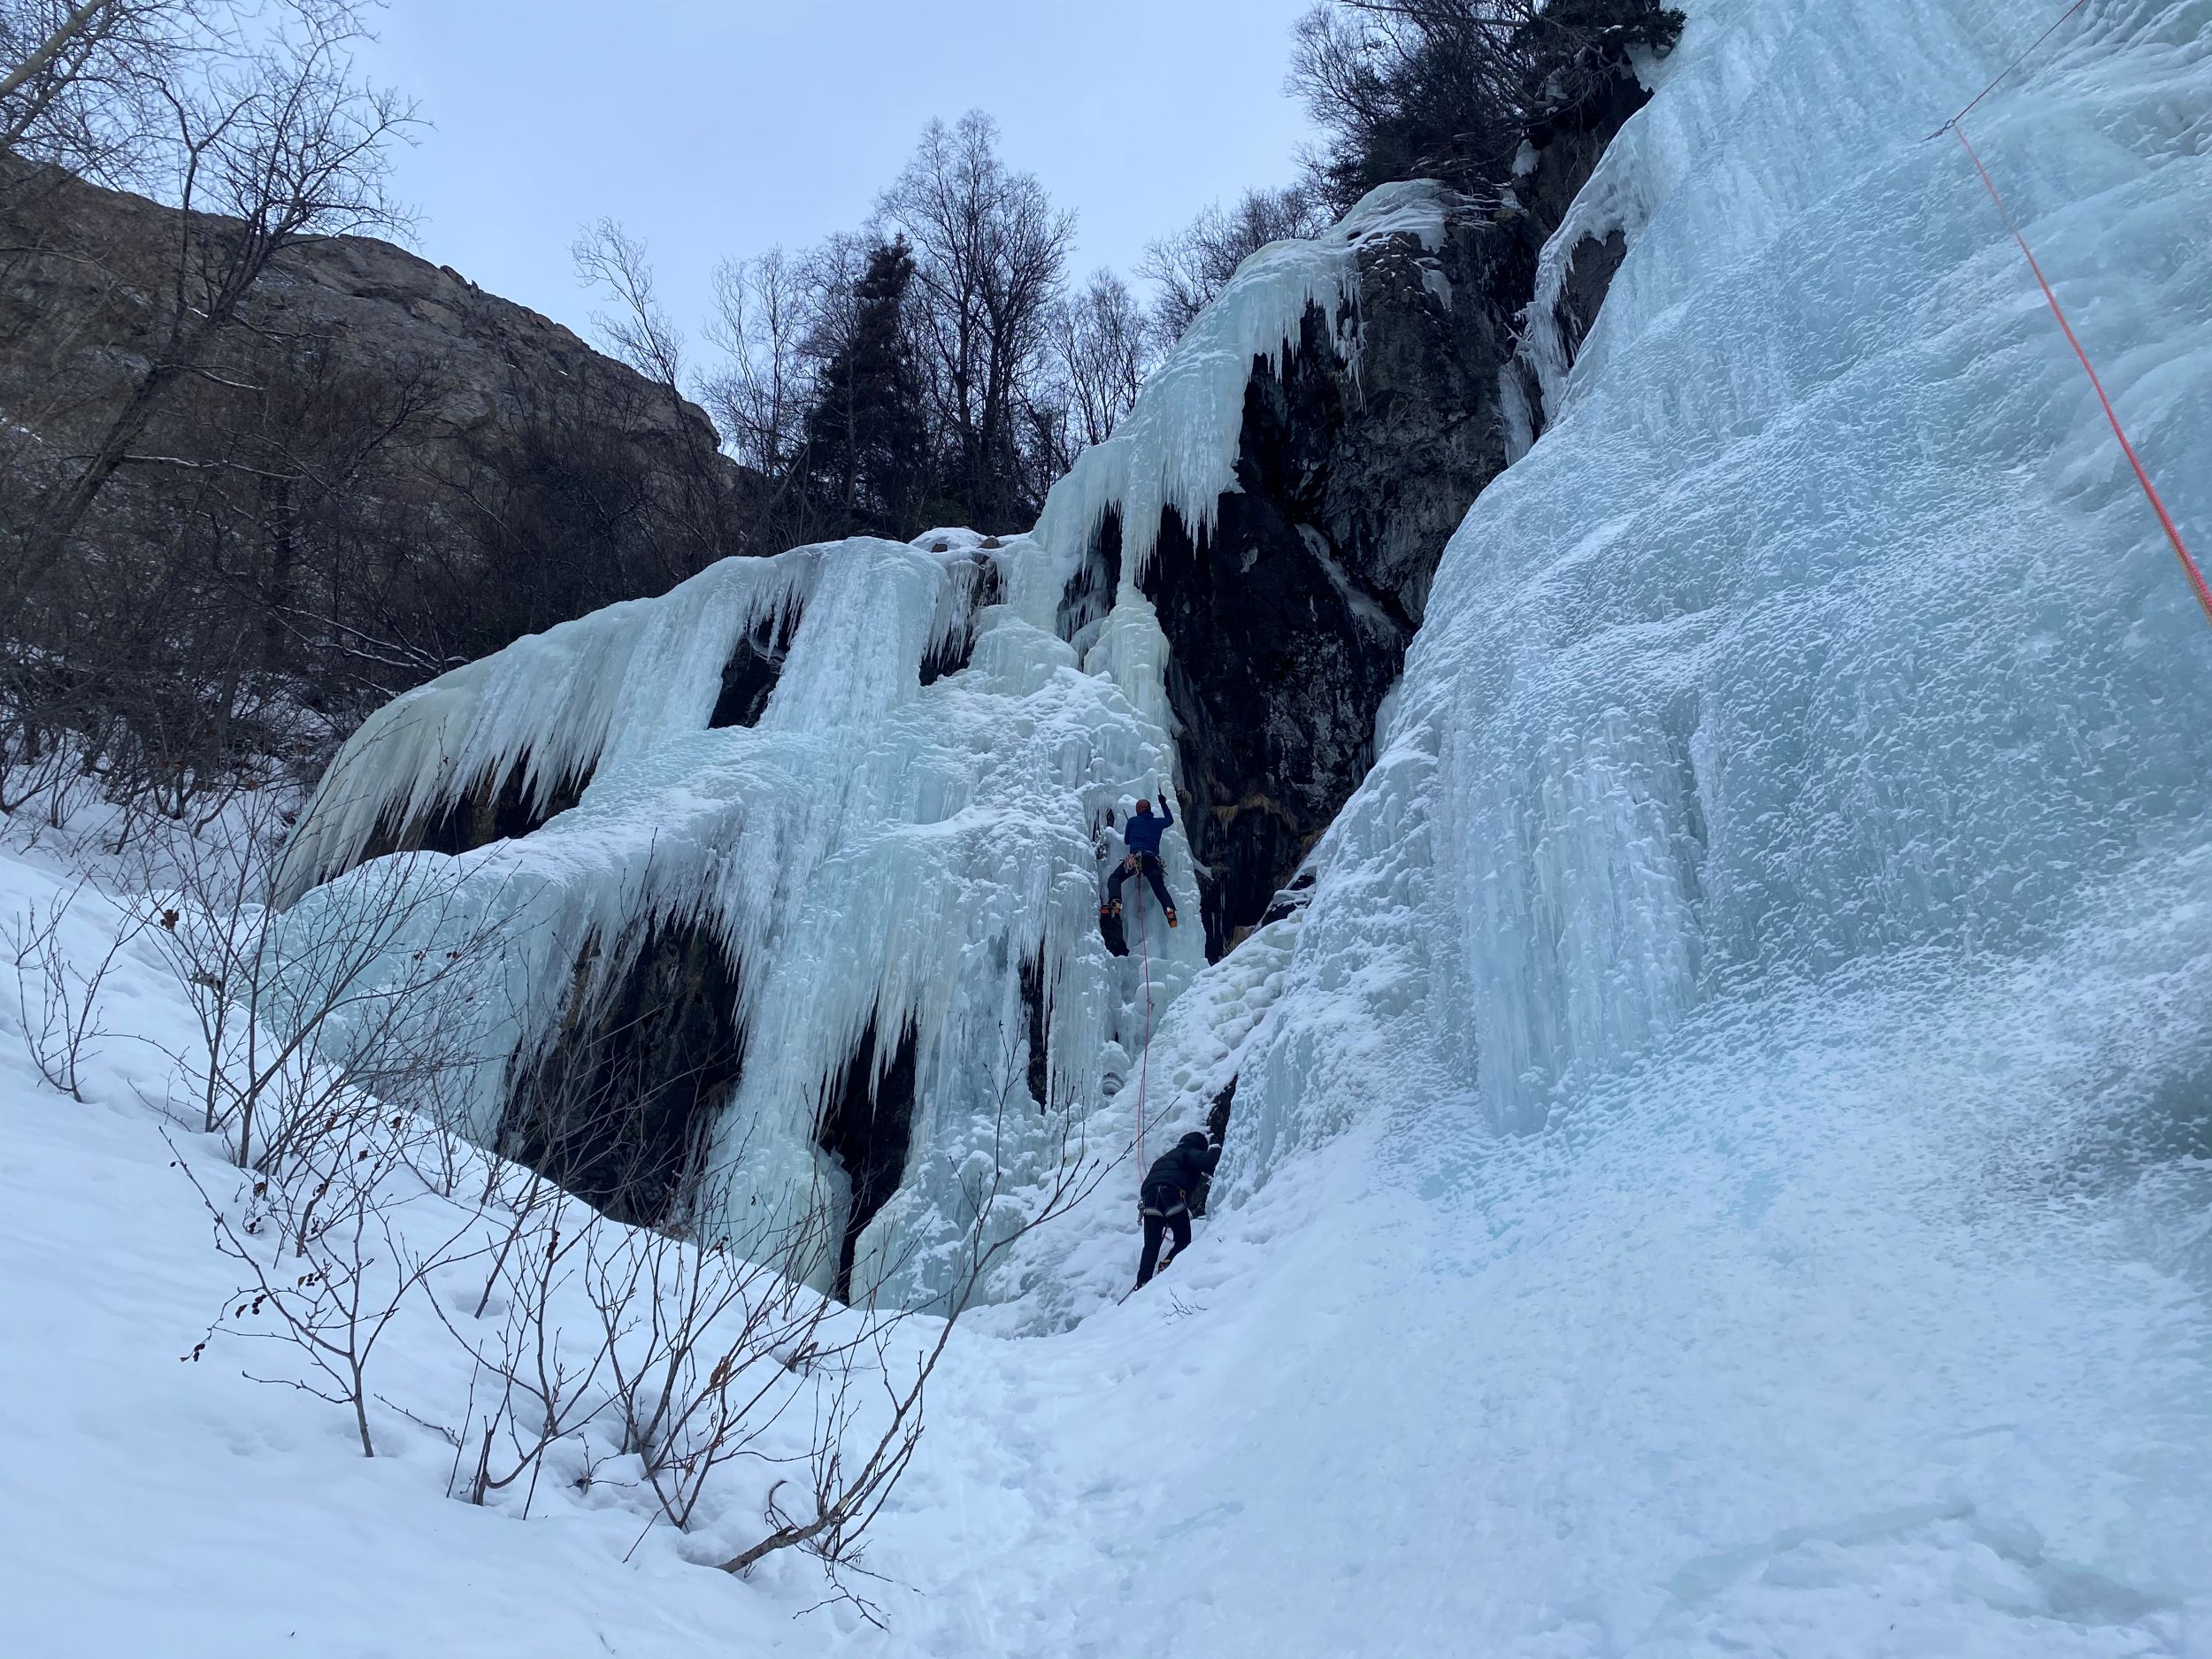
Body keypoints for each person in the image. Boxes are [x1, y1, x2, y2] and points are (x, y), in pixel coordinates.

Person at [1135, 1130, 1220, 1288]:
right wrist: (1216, 1149)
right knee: (1182, 1240)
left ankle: (1142, 1281)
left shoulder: (1164, 1158)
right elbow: (1209, 1163)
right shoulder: (1189, 1152)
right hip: (1172, 1194)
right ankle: (1168, 1263)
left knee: (1151, 1245)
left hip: (1150, 1200)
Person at [1102, 785, 1177, 928]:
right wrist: (1163, 803)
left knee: (1115, 878)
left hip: (1136, 859)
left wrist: (1135, 834)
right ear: (1149, 809)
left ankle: (1116, 902)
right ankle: (1170, 910)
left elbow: (1127, 841)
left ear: (1138, 810)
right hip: (1153, 860)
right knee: (1159, 888)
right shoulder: (1157, 822)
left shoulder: (1133, 821)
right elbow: (1170, 820)